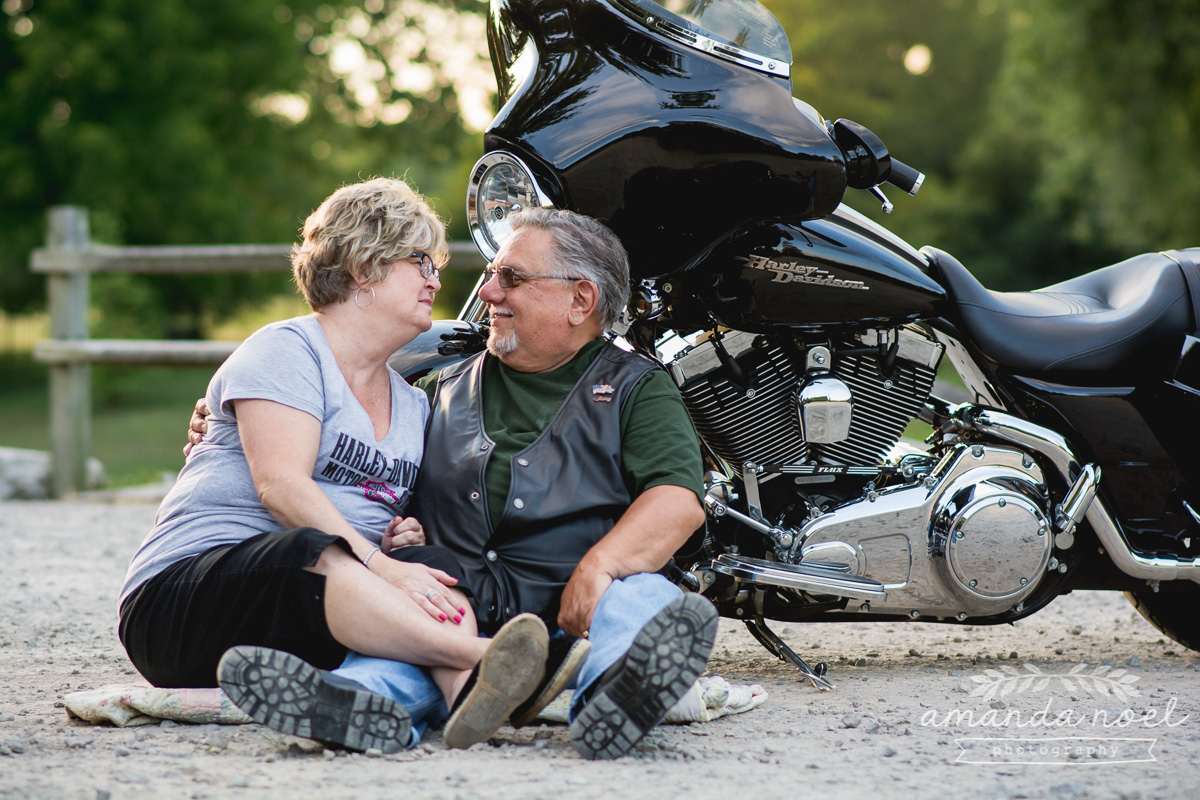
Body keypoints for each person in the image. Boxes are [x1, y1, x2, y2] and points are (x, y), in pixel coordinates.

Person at [188, 208, 719, 759]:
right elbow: (339, 421)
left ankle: (613, 693)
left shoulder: (638, 387)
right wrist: (219, 418)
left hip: (573, 613)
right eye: (491, 274)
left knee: (644, 598)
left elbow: (677, 501)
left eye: (511, 278)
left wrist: (600, 566)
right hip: (451, 607)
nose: (487, 292)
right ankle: (350, 705)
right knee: (401, 643)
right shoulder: (433, 386)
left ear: (580, 301)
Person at [119, 178, 553, 756]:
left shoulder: (414, 405)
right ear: (363, 268)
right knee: (310, 546)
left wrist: (402, 540)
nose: (436, 278)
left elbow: (388, 519)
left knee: (435, 567)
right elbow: (281, 487)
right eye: (419, 260)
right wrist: (377, 562)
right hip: (182, 606)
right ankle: (485, 662)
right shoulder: (286, 351)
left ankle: (459, 696)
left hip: (316, 614)